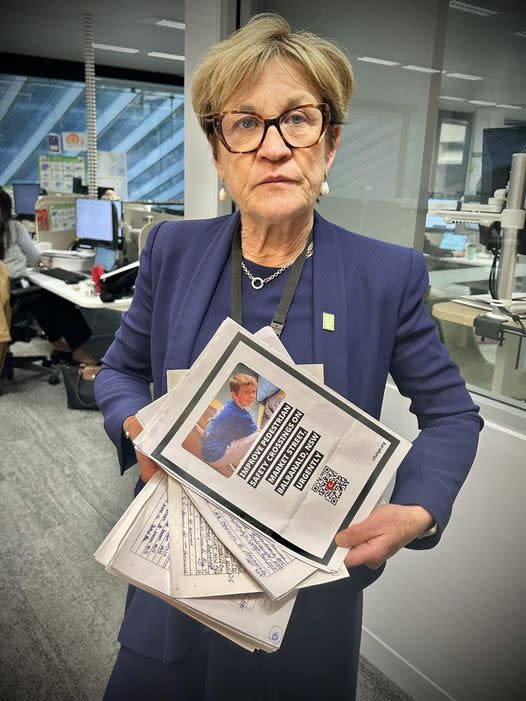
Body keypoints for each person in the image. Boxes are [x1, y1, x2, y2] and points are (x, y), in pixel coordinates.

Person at [95, 14, 482, 700]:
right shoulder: (171, 251)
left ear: (329, 145)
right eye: (245, 123)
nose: (273, 147)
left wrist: (416, 508)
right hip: (174, 583)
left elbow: (452, 414)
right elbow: (121, 371)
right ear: (218, 152)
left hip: (303, 607)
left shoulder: (384, 274)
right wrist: (136, 426)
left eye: (298, 120)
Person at [0, 188, 97, 365]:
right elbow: (35, 259)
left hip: (5, 297)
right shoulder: (14, 227)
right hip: (12, 294)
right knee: (56, 298)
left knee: (41, 296)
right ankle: (78, 351)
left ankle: (57, 343)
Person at [200, 373, 260, 475]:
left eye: (253, 392)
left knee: (236, 430)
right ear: (235, 395)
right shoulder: (243, 416)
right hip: (215, 457)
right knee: (259, 437)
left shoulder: (229, 404)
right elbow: (256, 431)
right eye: (247, 392)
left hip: (206, 447)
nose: (252, 396)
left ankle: (232, 457)